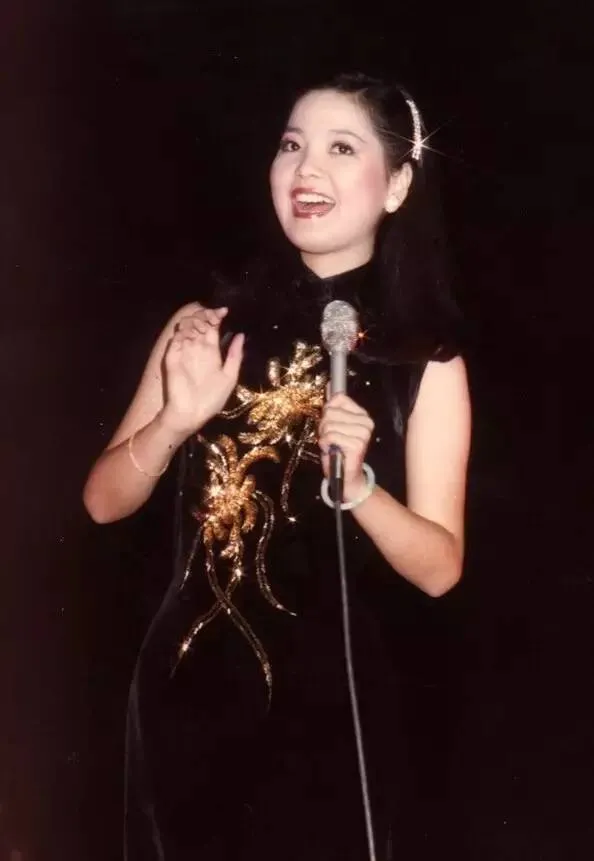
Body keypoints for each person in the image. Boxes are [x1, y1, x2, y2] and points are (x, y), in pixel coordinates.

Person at [83, 72, 471, 861]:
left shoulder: (425, 361)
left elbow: (441, 568)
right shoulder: (204, 327)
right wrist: (175, 419)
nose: (306, 168)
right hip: (183, 702)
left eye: (341, 148)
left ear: (398, 184)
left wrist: (360, 488)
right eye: (292, 145)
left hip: (330, 724)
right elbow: (101, 501)